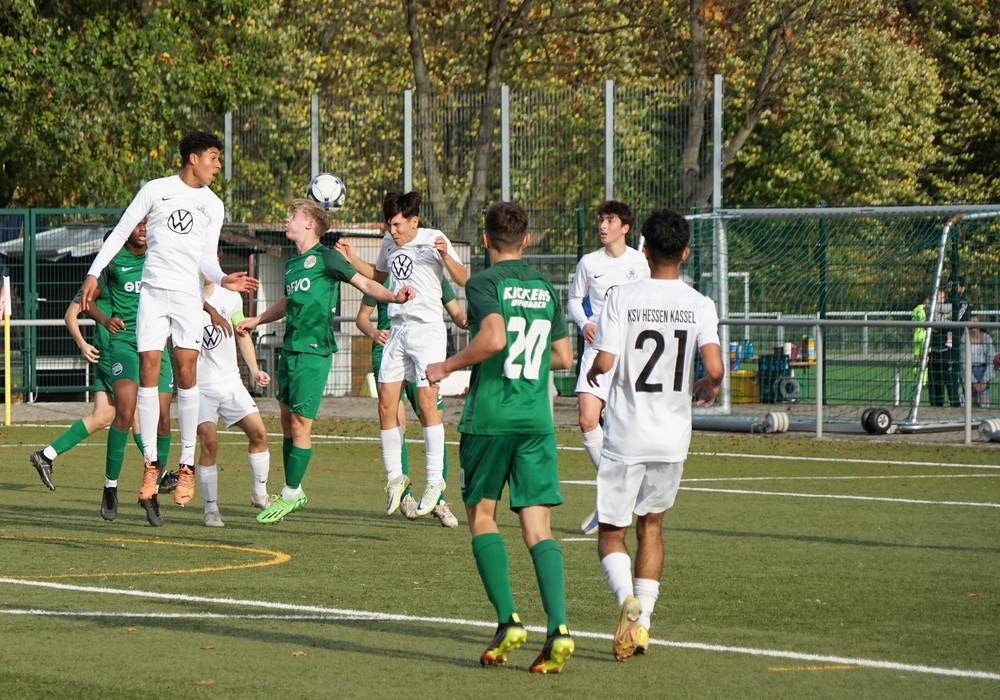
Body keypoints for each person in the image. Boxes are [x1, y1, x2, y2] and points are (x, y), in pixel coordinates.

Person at [425, 201, 575, 674]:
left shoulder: (484, 283)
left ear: (486, 240)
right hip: (536, 421)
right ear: (526, 240)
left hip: (490, 418)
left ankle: (508, 620)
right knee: (539, 529)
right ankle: (559, 628)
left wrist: (446, 366)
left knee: (482, 516)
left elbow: (492, 338)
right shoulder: (544, 287)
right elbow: (564, 357)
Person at [79, 131, 259, 519]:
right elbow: (121, 231)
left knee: (186, 374)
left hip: (187, 297)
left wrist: (222, 277)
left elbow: (207, 259)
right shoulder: (155, 190)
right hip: (153, 294)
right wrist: (94, 272)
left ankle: (187, 464)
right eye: (213, 157)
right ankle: (150, 464)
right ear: (193, 158)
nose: (217, 165)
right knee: (148, 369)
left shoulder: (214, 205)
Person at [585, 208, 724, 662]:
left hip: (626, 434)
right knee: (652, 527)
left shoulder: (622, 296)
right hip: (671, 438)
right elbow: (715, 367)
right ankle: (643, 622)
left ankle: (627, 599)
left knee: (612, 533)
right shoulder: (701, 303)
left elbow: (605, 361)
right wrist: (710, 385)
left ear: (644, 251)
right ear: (685, 253)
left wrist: (595, 374)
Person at [236, 199, 414, 524]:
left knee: (301, 425)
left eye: (294, 215)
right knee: (287, 421)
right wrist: (257, 319)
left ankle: (291, 492)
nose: (287, 219)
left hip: (314, 351)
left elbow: (365, 283)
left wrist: (393, 296)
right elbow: (288, 300)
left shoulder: (327, 257)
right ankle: (293, 489)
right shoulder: (294, 263)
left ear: (309, 223)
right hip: (291, 349)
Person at [336, 191, 467, 519]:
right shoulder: (387, 242)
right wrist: (352, 259)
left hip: (427, 332)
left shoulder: (434, 239)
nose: (392, 231)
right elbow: (379, 276)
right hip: (397, 330)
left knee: (426, 403)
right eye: (388, 225)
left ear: (414, 221)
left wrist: (446, 256)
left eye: (397, 225)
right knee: (386, 404)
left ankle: (435, 481)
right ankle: (396, 478)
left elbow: (463, 278)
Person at [80, 219, 178, 525]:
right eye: (138, 223)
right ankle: (110, 488)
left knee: (163, 419)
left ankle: (151, 491)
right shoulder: (112, 259)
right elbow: (86, 301)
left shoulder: (160, 256)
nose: (144, 228)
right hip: (124, 343)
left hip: (156, 345)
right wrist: (105, 319)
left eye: (148, 223)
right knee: (124, 411)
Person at [354, 275, 467, 528]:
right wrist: (374, 332)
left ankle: (438, 499)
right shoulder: (384, 275)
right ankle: (404, 495)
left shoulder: (434, 275)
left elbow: (457, 312)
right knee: (397, 420)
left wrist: (466, 320)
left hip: (422, 351)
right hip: (388, 352)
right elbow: (362, 317)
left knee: (432, 417)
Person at [566, 201, 649, 535]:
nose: (603, 226)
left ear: (625, 228)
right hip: (596, 347)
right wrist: (584, 322)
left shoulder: (640, 263)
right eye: (601, 220)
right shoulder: (589, 262)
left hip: (629, 353)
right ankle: (616, 493)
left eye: (610, 221)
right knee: (587, 419)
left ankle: (611, 500)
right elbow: (574, 300)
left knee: (621, 426)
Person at [28, 253, 143, 491]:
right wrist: (82, 344)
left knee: (102, 416)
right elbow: (71, 314)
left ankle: (46, 455)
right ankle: (160, 473)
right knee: (134, 413)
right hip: (113, 351)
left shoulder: (127, 273)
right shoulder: (102, 278)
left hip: (113, 350)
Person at [195, 274, 272, 527]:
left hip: (231, 382)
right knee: (210, 444)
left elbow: (242, 333)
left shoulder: (231, 297)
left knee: (259, 433)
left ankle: (259, 493)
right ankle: (211, 509)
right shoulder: (184, 296)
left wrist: (254, 369)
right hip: (200, 387)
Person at [927, 287, 957, 407]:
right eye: (940, 297)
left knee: (949, 380)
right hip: (934, 351)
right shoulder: (929, 308)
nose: (942, 300)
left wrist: (942, 323)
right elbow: (933, 326)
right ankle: (935, 404)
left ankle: (954, 404)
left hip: (946, 351)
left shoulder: (947, 307)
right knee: (935, 381)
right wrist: (942, 321)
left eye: (943, 297)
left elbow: (945, 324)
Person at [946, 276, 971, 406]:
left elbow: (954, 319)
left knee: (963, 369)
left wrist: (945, 319)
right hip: (948, 342)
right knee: (951, 372)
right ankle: (956, 402)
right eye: (949, 286)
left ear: (962, 288)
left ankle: (966, 403)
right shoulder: (946, 302)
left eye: (954, 286)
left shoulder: (963, 303)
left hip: (961, 341)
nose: (950, 289)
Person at [963, 317, 995, 409]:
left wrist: (985, 380)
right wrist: (973, 381)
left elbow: (991, 359)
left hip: (984, 371)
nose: (972, 324)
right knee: (971, 404)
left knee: (984, 403)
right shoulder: (964, 338)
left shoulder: (986, 338)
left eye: (975, 321)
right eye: (970, 321)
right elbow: (963, 362)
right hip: (970, 372)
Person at [910, 294, 929, 401]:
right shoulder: (926, 309)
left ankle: (916, 380)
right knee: (926, 358)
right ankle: (924, 382)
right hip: (924, 336)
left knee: (916, 358)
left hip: (916, 335)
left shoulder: (915, 309)